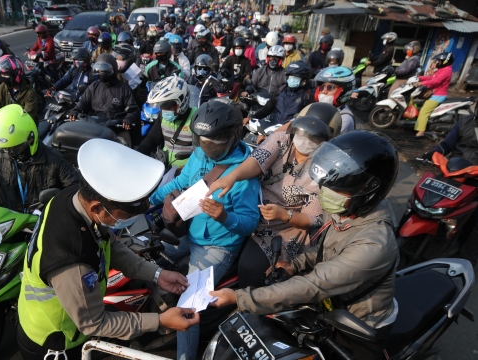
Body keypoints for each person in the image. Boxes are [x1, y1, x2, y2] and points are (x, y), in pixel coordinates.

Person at [210, 130, 400, 360]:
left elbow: (314, 284)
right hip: (330, 305)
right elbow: (325, 250)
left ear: (366, 190)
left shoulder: (374, 244)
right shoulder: (349, 209)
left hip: (358, 323)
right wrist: (294, 264)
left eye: (336, 189)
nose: (324, 193)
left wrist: (240, 298)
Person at [16, 138, 199, 359]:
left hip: (61, 317)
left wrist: (156, 274)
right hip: (55, 340)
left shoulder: (73, 197)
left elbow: (109, 243)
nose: (130, 220)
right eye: (127, 214)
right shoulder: (73, 260)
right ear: (97, 208)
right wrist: (160, 320)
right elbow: (94, 324)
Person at [150, 98, 260, 360]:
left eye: (213, 143)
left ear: (232, 137)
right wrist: (146, 201)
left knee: (188, 307)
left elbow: (249, 223)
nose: (207, 148)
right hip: (187, 233)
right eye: (203, 141)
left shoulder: (244, 175)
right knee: (143, 253)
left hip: (217, 247)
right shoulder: (199, 155)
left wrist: (224, 216)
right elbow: (180, 182)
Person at [209, 104, 342, 287]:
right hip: (253, 207)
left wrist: (284, 215)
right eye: (302, 131)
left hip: (285, 226)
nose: (304, 139)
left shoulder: (326, 168)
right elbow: (257, 160)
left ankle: (253, 305)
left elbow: (312, 218)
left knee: (251, 268)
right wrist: (232, 177)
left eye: (314, 136)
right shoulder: (282, 139)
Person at [0, 104, 79, 217]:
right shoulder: (0, 156)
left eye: (15, 148)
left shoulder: (55, 162)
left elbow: (75, 189)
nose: (9, 153)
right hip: (8, 222)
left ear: (30, 140)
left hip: (41, 225)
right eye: (5, 148)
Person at [422, 113, 478, 265]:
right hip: (452, 173)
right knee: (424, 199)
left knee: (474, 223)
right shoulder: (465, 121)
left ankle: (467, 261)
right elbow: (447, 144)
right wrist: (435, 152)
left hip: (475, 181)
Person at [70, 54, 139, 147]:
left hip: (117, 129)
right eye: (100, 71)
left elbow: (133, 109)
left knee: (127, 150)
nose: (102, 74)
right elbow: (83, 102)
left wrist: (128, 118)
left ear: (113, 70)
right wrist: (76, 110)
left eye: (105, 71)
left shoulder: (123, 88)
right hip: (95, 127)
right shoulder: (93, 87)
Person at [137, 76, 197, 170]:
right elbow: (152, 138)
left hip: (186, 172)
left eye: (167, 106)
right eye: (161, 106)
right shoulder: (162, 116)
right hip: (164, 168)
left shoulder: (196, 118)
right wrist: (137, 154)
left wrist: (186, 170)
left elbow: (202, 154)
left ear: (181, 102)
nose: (163, 110)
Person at [243, 60, 312, 126]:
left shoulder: (308, 96)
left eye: (295, 76)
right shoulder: (280, 90)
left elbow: (305, 120)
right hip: (273, 129)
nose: (292, 78)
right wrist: (251, 118)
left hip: (290, 133)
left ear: (304, 79)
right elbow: (266, 109)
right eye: (290, 76)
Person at [0, 55, 39, 124]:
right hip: (6, 126)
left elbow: (28, 117)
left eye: (6, 74)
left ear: (16, 74)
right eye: (2, 74)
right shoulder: (3, 87)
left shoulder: (29, 93)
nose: (3, 77)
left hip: (25, 129)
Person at [414, 52, 453, 137]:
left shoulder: (446, 70)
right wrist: (419, 78)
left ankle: (421, 132)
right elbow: (432, 77)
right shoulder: (442, 69)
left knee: (424, 111)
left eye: (439, 61)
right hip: (435, 93)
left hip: (438, 95)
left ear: (445, 61)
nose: (437, 62)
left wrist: (421, 83)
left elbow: (436, 81)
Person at [313, 66, 356, 134]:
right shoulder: (319, 108)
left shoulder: (344, 118)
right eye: (321, 87)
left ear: (344, 91)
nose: (324, 91)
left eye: (330, 87)